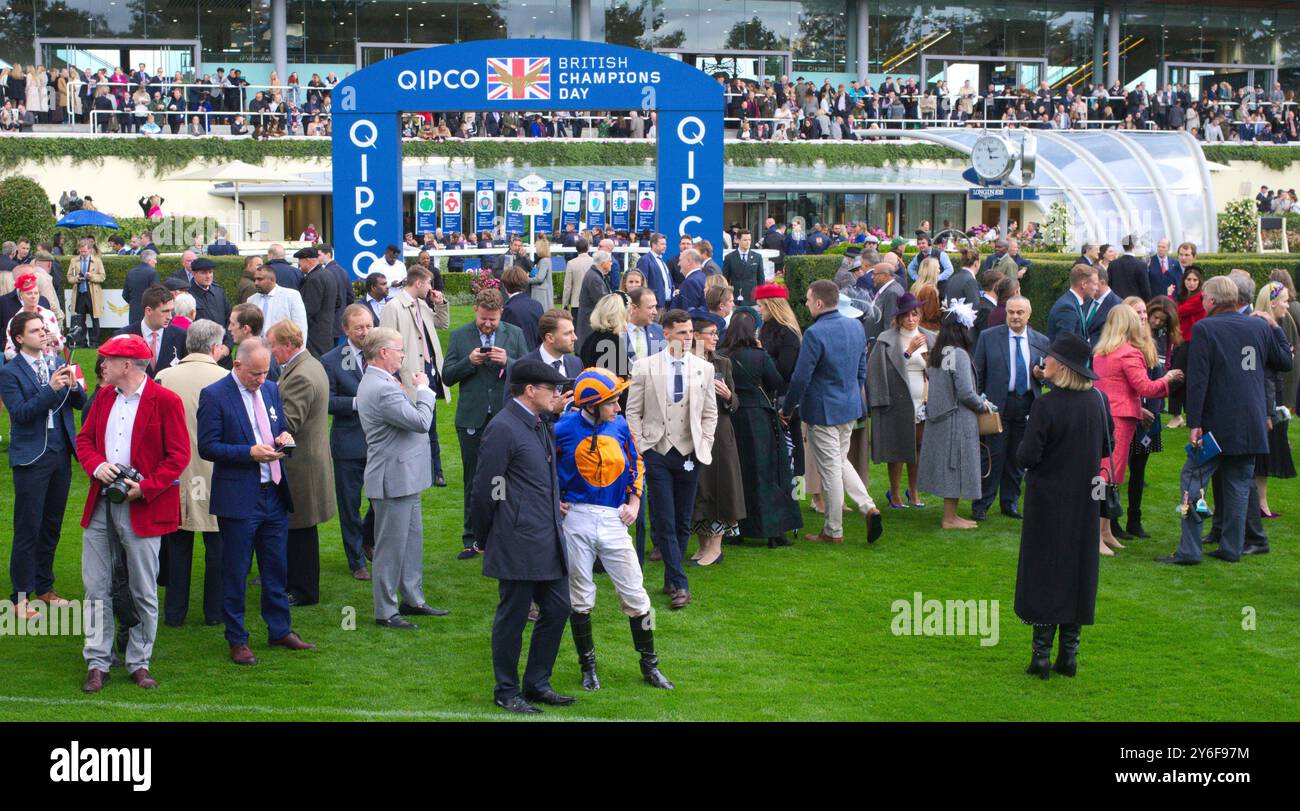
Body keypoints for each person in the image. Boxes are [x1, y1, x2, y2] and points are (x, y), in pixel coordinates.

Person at [75, 334, 190, 692]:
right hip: (101, 503)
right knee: (96, 587)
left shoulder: (166, 401)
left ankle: (139, 661)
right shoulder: (103, 397)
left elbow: (179, 455)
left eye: (106, 360)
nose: (101, 365)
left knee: (143, 589)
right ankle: (98, 661)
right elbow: (84, 441)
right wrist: (97, 467)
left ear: (126, 365)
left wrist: (146, 488)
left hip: (143, 507)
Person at [197, 338, 316, 666]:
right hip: (239, 498)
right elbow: (207, 447)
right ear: (236, 365)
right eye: (255, 374)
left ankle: (280, 629)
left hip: (274, 494)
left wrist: (283, 438)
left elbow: (277, 427)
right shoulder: (214, 395)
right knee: (235, 571)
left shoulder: (271, 390)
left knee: (276, 568)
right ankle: (237, 638)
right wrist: (248, 453)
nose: (261, 379)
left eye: (266, 372)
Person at [1157, 276, 1292, 565]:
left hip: (1216, 424)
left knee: (1191, 481)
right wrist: (1272, 325)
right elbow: (1285, 362)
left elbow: (1199, 379)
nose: (1202, 301)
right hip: (1251, 423)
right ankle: (1232, 548)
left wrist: (1194, 422)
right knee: (1239, 486)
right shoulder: (1258, 326)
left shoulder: (1205, 328)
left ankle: (1190, 550)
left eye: (1204, 296)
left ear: (1213, 301)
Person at [555, 367, 674, 691]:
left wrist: (635, 502)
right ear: (592, 404)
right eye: (612, 402)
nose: (618, 407)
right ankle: (588, 667)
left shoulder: (620, 426)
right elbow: (542, 466)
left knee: (637, 596)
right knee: (579, 597)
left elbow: (637, 463)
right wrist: (556, 500)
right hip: (575, 519)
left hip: (613, 519)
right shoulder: (563, 428)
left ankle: (650, 665)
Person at [471, 359, 574, 714]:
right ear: (530, 391)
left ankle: (536, 683)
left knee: (559, 607)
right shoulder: (503, 428)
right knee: (513, 617)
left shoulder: (536, 422)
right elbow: (486, 490)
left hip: (546, 537)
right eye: (552, 389)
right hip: (516, 539)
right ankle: (506, 690)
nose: (558, 395)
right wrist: (484, 537)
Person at [1014, 332, 1110, 680]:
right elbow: (1106, 444)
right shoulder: (1097, 402)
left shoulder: (1047, 405)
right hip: (1085, 500)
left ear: (1063, 366)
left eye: (1050, 358)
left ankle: (1041, 654)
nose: (1045, 362)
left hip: (1048, 501)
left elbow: (1028, 455)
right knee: (1078, 569)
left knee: (1044, 571)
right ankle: (1069, 654)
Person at [356, 327, 449, 629]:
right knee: (391, 547)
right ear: (383, 352)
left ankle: (412, 598)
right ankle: (385, 611)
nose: (403, 355)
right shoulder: (381, 387)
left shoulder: (382, 380)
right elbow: (421, 422)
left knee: (411, 543)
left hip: (403, 476)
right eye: (399, 350)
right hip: (393, 478)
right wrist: (424, 391)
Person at [626, 309, 718, 609]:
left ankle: (670, 577)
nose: (688, 337)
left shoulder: (704, 368)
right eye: (681, 332)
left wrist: (704, 442)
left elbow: (709, 412)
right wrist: (642, 446)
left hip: (691, 452)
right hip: (657, 452)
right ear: (665, 334)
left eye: (690, 332)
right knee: (664, 518)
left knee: (682, 520)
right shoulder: (644, 367)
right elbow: (632, 411)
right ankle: (680, 584)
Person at [0, 312, 85, 621]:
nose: (44, 333)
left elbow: (78, 403)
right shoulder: (10, 373)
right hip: (31, 456)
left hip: (60, 452)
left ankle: (44, 587)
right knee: (28, 527)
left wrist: (73, 386)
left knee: (52, 524)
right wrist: (50, 388)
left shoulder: (55, 361)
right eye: (36, 330)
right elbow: (21, 413)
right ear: (20, 338)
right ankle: (20, 597)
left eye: (44, 329)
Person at [786, 279, 882, 543]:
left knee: (831, 470)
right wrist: (851, 392)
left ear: (818, 302)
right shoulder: (855, 326)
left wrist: (787, 406)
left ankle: (833, 530)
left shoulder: (815, 333)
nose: (806, 305)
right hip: (849, 407)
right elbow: (862, 370)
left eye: (807, 300)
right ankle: (868, 507)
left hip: (823, 411)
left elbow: (800, 378)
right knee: (839, 462)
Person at [154, 320, 228, 628]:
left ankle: (174, 612)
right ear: (214, 347)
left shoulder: (163, 377)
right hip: (216, 471)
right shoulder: (227, 378)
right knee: (217, 546)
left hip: (176, 473)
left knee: (178, 544)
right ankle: (214, 612)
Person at [444, 289, 529, 558]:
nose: (488, 324)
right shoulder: (459, 336)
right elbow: (446, 377)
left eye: (492, 319)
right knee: (474, 479)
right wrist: (469, 362)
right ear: (475, 311)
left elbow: (528, 372)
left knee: (506, 478)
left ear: (501, 313)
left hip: (507, 420)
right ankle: (472, 538)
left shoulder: (514, 334)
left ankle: (501, 533)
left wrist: (509, 362)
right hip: (472, 418)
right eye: (483, 319)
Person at [1093, 304, 1180, 555]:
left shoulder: (1100, 352)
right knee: (1108, 476)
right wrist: (1168, 378)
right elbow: (1146, 387)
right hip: (1120, 420)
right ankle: (1096, 534)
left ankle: (1105, 531)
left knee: (1103, 473)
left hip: (1104, 414)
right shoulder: (1129, 353)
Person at [266, 320, 335, 606]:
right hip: (309, 461)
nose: (271, 352)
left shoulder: (300, 375)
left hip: (301, 465)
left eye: (273, 346)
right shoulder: (309, 365)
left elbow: (289, 423)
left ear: (289, 345)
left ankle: (303, 590)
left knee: (301, 531)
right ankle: (298, 585)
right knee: (300, 530)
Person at [721, 309, 803, 547]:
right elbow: (777, 381)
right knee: (767, 473)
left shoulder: (722, 354)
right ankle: (772, 528)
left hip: (732, 417)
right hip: (758, 417)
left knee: (738, 474)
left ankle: (736, 529)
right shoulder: (759, 355)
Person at [916, 302, 994, 530]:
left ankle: (952, 516)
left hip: (943, 417)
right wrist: (983, 405)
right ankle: (950, 518)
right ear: (961, 329)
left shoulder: (941, 352)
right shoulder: (958, 354)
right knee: (955, 466)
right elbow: (965, 392)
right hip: (957, 420)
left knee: (952, 467)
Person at [971, 296, 1049, 521]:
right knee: (992, 456)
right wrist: (980, 402)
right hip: (996, 406)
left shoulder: (1040, 341)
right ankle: (982, 504)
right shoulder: (988, 337)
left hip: (1026, 404)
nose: (1015, 316)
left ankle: (1010, 502)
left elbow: (1051, 377)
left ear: (1029, 314)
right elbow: (979, 373)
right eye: (1011, 312)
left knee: (1018, 457)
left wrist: (1042, 377)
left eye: (1020, 313)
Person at [379, 265, 450, 488]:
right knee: (413, 426)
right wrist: (395, 378)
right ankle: (421, 471)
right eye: (429, 283)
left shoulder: (421, 304)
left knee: (431, 423)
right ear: (418, 283)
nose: (431, 287)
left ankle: (435, 471)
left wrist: (441, 304)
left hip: (428, 371)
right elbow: (385, 343)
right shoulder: (394, 306)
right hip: (408, 374)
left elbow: (443, 324)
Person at [321, 305, 377, 580]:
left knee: (382, 500)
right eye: (359, 328)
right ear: (345, 330)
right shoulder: (331, 360)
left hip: (381, 443)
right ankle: (356, 560)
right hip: (349, 444)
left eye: (369, 326)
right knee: (349, 504)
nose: (365, 332)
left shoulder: (382, 353)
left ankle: (368, 537)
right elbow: (327, 401)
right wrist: (357, 403)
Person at [685, 310, 744, 566]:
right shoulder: (682, 363)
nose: (716, 338)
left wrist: (729, 395)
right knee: (698, 487)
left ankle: (716, 547)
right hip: (690, 432)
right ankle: (703, 544)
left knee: (721, 486)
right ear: (695, 336)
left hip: (719, 432)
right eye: (711, 334)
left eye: (716, 333)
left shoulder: (723, 363)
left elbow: (736, 402)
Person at [869, 293, 933, 509]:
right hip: (897, 403)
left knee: (918, 448)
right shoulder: (887, 339)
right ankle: (894, 493)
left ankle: (913, 492)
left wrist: (930, 363)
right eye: (906, 316)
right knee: (896, 449)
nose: (911, 320)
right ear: (898, 318)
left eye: (914, 315)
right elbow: (880, 371)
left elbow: (940, 370)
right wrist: (908, 352)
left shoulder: (930, 337)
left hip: (923, 402)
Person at [1254, 281, 1296, 517]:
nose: (1287, 305)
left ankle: (1261, 502)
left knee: (1265, 454)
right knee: (1261, 453)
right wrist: (1267, 410)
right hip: (1265, 396)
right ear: (1272, 303)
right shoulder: (1266, 327)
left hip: (1270, 394)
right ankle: (1259, 503)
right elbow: (1283, 363)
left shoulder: (1267, 325)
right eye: (1285, 300)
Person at [3, 273, 63, 361]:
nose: (33, 296)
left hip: (50, 363)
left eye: (36, 293)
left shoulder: (49, 315)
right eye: (29, 293)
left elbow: (60, 346)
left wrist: (55, 340)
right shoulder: (15, 321)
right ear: (21, 296)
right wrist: (28, 353)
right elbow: (8, 353)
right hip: (27, 367)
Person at [295, 247, 339, 359]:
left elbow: (309, 309)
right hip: (327, 328)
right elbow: (338, 301)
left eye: (299, 261)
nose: (299, 265)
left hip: (315, 332)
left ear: (308, 261)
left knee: (316, 363)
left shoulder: (313, 278)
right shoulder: (328, 274)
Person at [249, 261, 308, 340]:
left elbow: (301, 327)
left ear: (272, 280)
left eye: (260, 279)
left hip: (283, 349)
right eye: (255, 279)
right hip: (258, 349)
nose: (256, 283)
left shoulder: (291, 296)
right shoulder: (251, 300)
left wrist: (299, 351)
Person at [1046, 264, 1102, 346]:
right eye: (1095, 284)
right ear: (1084, 284)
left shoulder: (1074, 303)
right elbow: (1065, 346)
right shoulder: (1067, 308)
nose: (1097, 288)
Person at [66, 237, 105, 347]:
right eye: (81, 251)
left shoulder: (97, 260)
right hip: (79, 293)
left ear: (90, 250)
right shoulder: (74, 260)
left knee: (95, 319)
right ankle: (82, 342)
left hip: (92, 294)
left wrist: (91, 276)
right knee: (80, 319)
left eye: (85, 251)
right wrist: (77, 278)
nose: (83, 253)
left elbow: (102, 277)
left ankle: (94, 342)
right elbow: (69, 278)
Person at [577, 250, 615, 346]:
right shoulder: (595, 278)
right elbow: (603, 302)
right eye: (609, 261)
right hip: (590, 321)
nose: (612, 263)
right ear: (603, 263)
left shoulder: (595, 275)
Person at [502, 265, 544, 350]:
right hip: (536, 354)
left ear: (505, 286)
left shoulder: (509, 309)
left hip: (521, 357)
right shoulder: (537, 305)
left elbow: (507, 340)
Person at [635, 233, 676, 312]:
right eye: (662, 244)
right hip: (654, 306)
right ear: (653, 244)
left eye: (665, 244)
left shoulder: (661, 260)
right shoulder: (645, 260)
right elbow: (642, 283)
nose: (665, 246)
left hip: (667, 305)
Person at [722, 229, 762, 304]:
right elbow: (725, 280)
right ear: (737, 240)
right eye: (745, 240)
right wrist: (727, 298)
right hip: (736, 298)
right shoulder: (729, 258)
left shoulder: (757, 257)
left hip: (752, 299)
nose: (748, 242)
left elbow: (761, 279)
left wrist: (760, 298)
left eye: (749, 240)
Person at [123, 249, 160, 325]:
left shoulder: (131, 272)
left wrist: (134, 304)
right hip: (149, 314)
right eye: (155, 259)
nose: (156, 262)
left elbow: (125, 294)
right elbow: (156, 294)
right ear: (149, 260)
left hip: (133, 313)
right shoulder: (153, 273)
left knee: (135, 335)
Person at [559, 238, 592, 322]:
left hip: (576, 302)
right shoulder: (594, 262)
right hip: (592, 302)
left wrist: (565, 304)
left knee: (577, 329)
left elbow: (567, 286)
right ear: (588, 248)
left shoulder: (571, 263)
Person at [529, 237, 555, 310]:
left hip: (541, 294)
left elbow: (540, 278)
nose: (536, 249)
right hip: (542, 292)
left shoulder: (544, 261)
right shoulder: (544, 260)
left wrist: (526, 279)